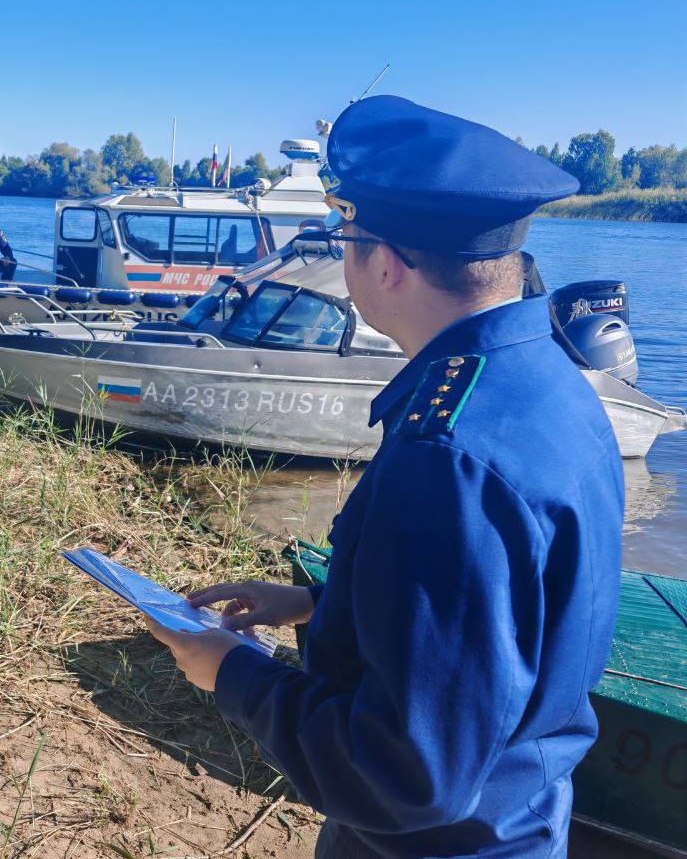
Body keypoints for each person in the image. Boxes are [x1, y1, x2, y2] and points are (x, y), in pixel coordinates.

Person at [143, 96, 623, 859]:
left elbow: (407, 774)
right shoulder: (546, 377)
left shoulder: (450, 455)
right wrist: (317, 605)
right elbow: (498, 617)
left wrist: (231, 672)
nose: (345, 257)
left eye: (347, 236)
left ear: (387, 263)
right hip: (520, 816)